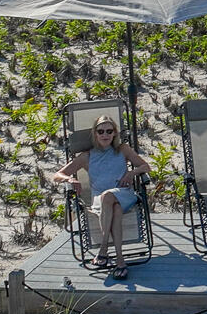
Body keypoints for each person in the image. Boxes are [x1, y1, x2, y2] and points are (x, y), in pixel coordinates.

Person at [53, 115, 150, 278]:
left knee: (110, 196)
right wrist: (69, 179)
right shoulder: (87, 156)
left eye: (109, 131)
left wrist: (131, 173)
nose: (105, 135)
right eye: (101, 131)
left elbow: (146, 166)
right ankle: (120, 260)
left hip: (124, 193)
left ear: (114, 134)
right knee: (115, 208)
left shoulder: (123, 149)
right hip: (100, 199)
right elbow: (58, 174)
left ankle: (103, 248)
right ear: (95, 134)